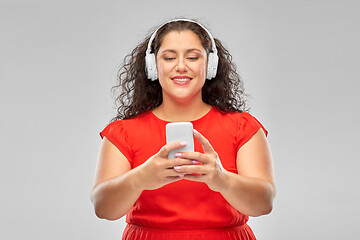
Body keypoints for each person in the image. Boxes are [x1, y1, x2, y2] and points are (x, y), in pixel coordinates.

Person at [91, 18, 275, 240]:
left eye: (193, 57)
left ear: (210, 65)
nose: (180, 66)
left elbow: (264, 204)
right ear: (152, 66)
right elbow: (103, 208)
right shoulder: (122, 133)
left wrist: (221, 179)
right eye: (169, 57)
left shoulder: (243, 128)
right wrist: (140, 178)